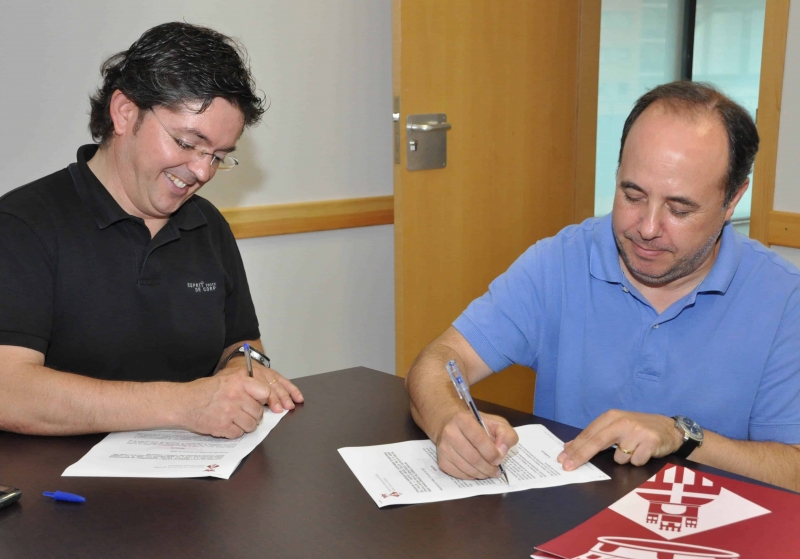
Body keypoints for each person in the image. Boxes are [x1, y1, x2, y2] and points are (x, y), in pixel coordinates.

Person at [406, 81, 800, 491]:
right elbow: (441, 359)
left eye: (679, 209)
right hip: (562, 530)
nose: (647, 228)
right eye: (632, 195)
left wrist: (683, 436)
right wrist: (449, 421)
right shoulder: (562, 260)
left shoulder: (784, 299)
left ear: (733, 199)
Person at [0, 22, 303, 438]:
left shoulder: (207, 225)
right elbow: (9, 390)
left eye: (218, 156)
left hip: (194, 484)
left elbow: (242, 344)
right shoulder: (23, 224)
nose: (201, 171)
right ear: (125, 112)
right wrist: (186, 404)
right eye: (186, 143)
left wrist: (245, 368)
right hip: (59, 489)